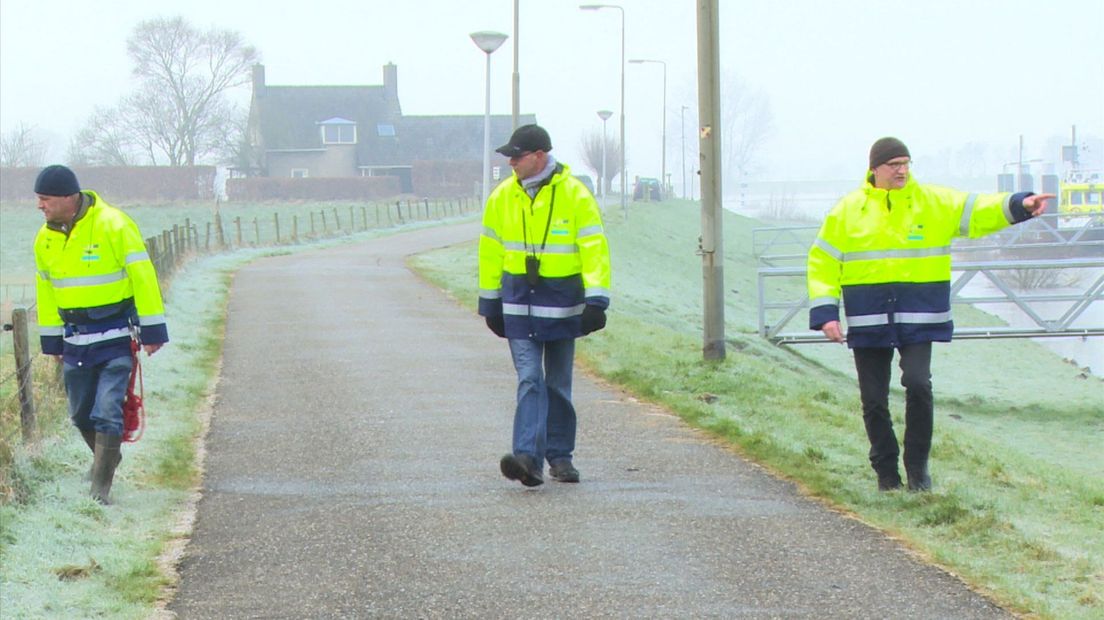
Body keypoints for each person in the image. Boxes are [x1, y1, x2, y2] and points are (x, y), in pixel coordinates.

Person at [806, 137, 1051, 492]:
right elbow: (823, 261)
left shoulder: (934, 202)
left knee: (919, 385)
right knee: (873, 400)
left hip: (920, 317)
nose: (902, 170)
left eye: (906, 163)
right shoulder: (847, 210)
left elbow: (979, 209)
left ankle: (918, 471)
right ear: (875, 168)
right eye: (894, 164)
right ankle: (886, 474)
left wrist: (1020, 205)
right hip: (869, 319)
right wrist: (826, 312)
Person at [478, 125, 612, 487]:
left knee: (557, 384)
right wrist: (489, 302)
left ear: (539, 155)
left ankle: (560, 456)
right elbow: (491, 251)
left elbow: (594, 248)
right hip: (518, 304)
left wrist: (597, 300)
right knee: (530, 380)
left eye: (517, 157)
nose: (511, 163)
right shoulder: (502, 197)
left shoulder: (575, 195)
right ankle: (527, 458)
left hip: (562, 305)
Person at [33, 165, 169, 504]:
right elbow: (46, 291)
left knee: (106, 411)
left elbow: (143, 277)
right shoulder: (44, 238)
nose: (40, 206)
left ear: (68, 197)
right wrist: (52, 342)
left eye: (45, 199)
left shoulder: (114, 224)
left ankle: (99, 493)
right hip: (75, 341)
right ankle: (106, 460)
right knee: (80, 415)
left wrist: (153, 331)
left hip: (115, 338)